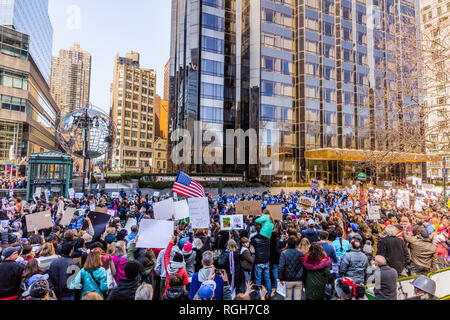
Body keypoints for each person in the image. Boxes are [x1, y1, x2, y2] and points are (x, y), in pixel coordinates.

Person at [251, 223, 271, 297]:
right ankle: (268, 293)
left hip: (258, 261)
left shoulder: (254, 239)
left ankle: (258, 294)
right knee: (267, 278)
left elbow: (252, 249)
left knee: (258, 279)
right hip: (266, 260)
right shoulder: (268, 238)